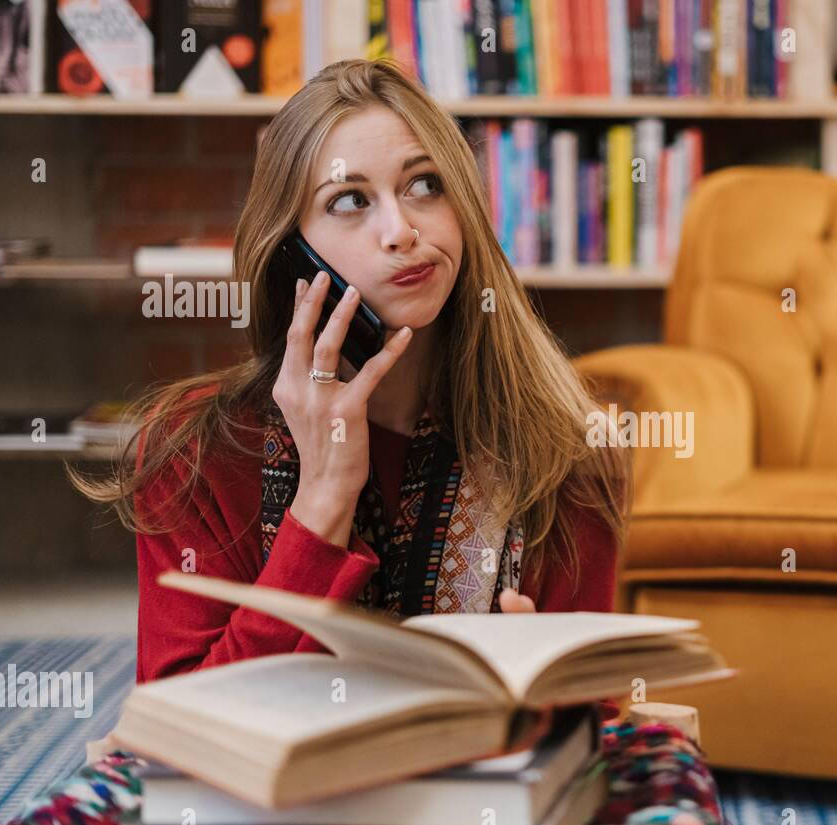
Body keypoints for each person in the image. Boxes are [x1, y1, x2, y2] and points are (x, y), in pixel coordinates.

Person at [71, 59, 630, 702]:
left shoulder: (568, 452)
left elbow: (590, 729)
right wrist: (323, 502)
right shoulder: (192, 451)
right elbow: (181, 724)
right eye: (349, 200)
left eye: (425, 185)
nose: (401, 231)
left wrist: (546, 706)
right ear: (291, 256)